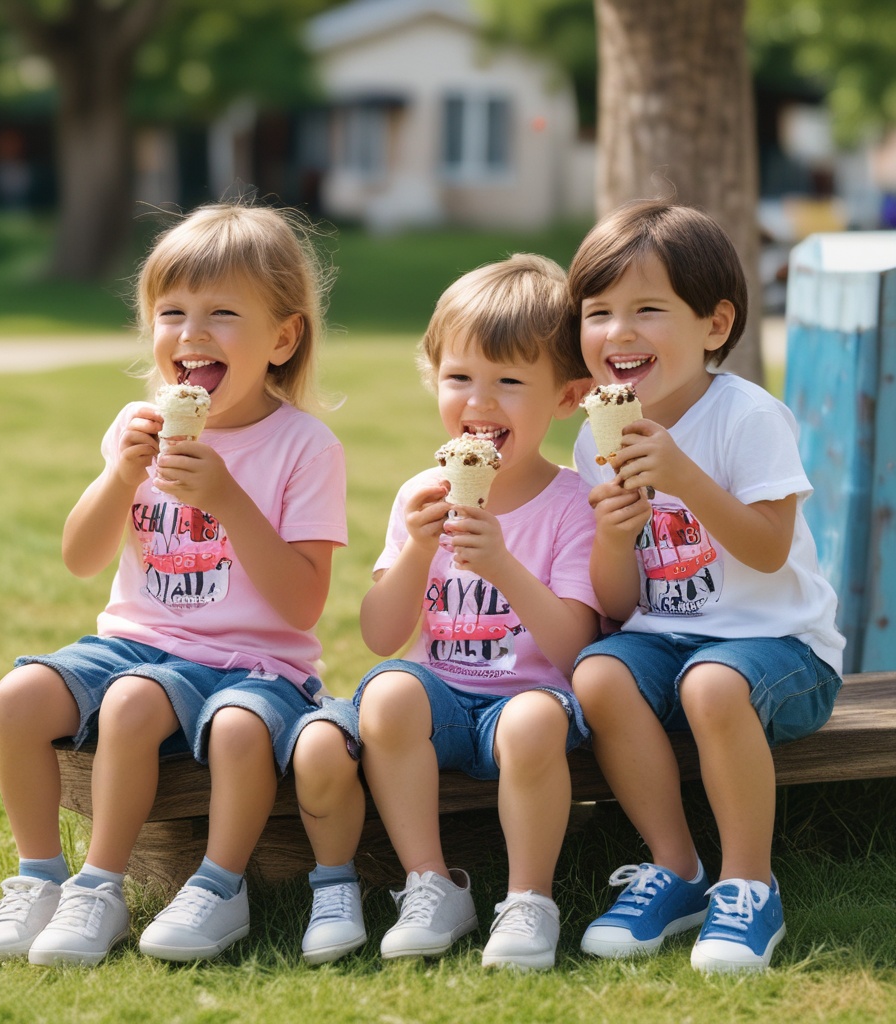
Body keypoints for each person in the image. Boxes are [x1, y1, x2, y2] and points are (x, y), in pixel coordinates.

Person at [0, 202, 366, 968]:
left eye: (222, 313)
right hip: (134, 641)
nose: (191, 334)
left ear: (283, 338)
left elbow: (302, 603)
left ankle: (112, 887)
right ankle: (41, 880)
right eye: (171, 312)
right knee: (17, 699)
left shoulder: (303, 447)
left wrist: (226, 501)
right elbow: (82, 556)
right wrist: (122, 471)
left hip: (251, 664)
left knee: (131, 703)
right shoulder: (137, 425)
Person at [567, 199, 844, 973]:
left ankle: (748, 885)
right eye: (598, 312)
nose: (618, 333)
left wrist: (685, 475)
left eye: (648, 309)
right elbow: (619, 608)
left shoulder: (747, 416)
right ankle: (678, 868)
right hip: (669, 640)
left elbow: (765, 550)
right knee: (598, 672)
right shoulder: (598, 439)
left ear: (714, 326)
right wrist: (616, 537)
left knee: (714, 687)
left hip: (780, 646)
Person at [355, 254, 602, 970]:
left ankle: (529, 900)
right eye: (461, 378)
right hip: (443, 696)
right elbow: (379, 635)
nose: (480, 403)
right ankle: (431, 883)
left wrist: (502, 564)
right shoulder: (420, 495)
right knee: (390, 694)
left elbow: (575, 651)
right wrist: (413, 552)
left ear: (566, 396)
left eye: (510, 382)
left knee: (529, 720)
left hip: (532, 701)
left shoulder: (570, 504)